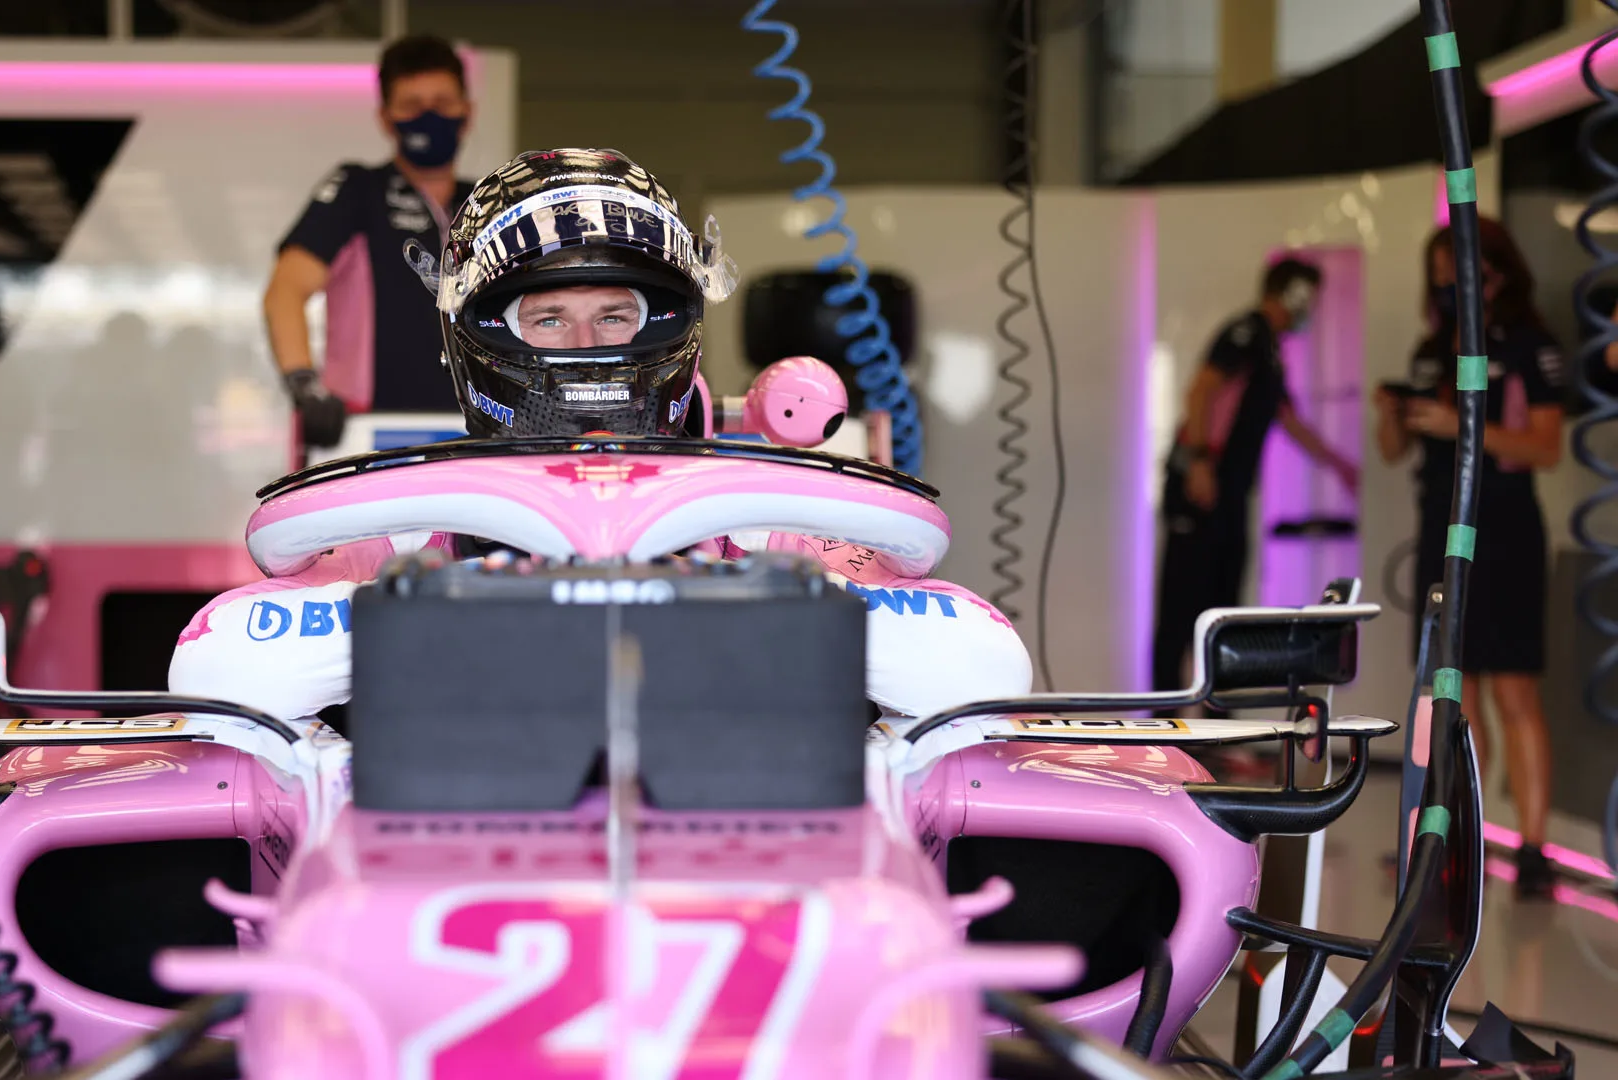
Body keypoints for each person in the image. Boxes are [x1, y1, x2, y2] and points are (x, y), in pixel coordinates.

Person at [171, 148, 1032, 722]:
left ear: (668, 325)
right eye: (548, 317)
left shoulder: (763, 518)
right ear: (481, 337)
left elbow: (979, 664)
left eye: (615, 315)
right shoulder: (403, 528)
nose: (586, 344)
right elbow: (221, 668)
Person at [1375, 218, 1564, 899]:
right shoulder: (1431, 351)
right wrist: (1393, 413)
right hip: (1440, 528)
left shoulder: (1531, 346)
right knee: (1455, 694)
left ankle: (1534, 849)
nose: (1448, 286)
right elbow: (1393, 451)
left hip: (1505, 528)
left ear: (1496, 272)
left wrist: (1462, 426)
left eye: (1458, 271)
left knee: (1514, 689)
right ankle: (1467, 840)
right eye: (1439, 276)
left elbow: (1546, 447)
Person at [1151, 259, 1359, 702]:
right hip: (1200, 490)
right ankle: (1161, 725)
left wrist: (1341, 466)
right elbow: (1201, 390)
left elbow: (1290, 420)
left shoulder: (1269, 351)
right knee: (1179, 613)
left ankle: (1219, 723)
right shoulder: (1244, 334)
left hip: (1230, 496)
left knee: (1224, 613)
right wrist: (1200, 462)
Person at [264, 34, 478, 455]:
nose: (429, 116)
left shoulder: (484, 202)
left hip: (474, 429)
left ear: (467, 112)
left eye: (442, 102)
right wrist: (304, 384)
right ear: (385, 118)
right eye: (412, 105)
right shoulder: (357, 190)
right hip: (364, 430)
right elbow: (285, 290)